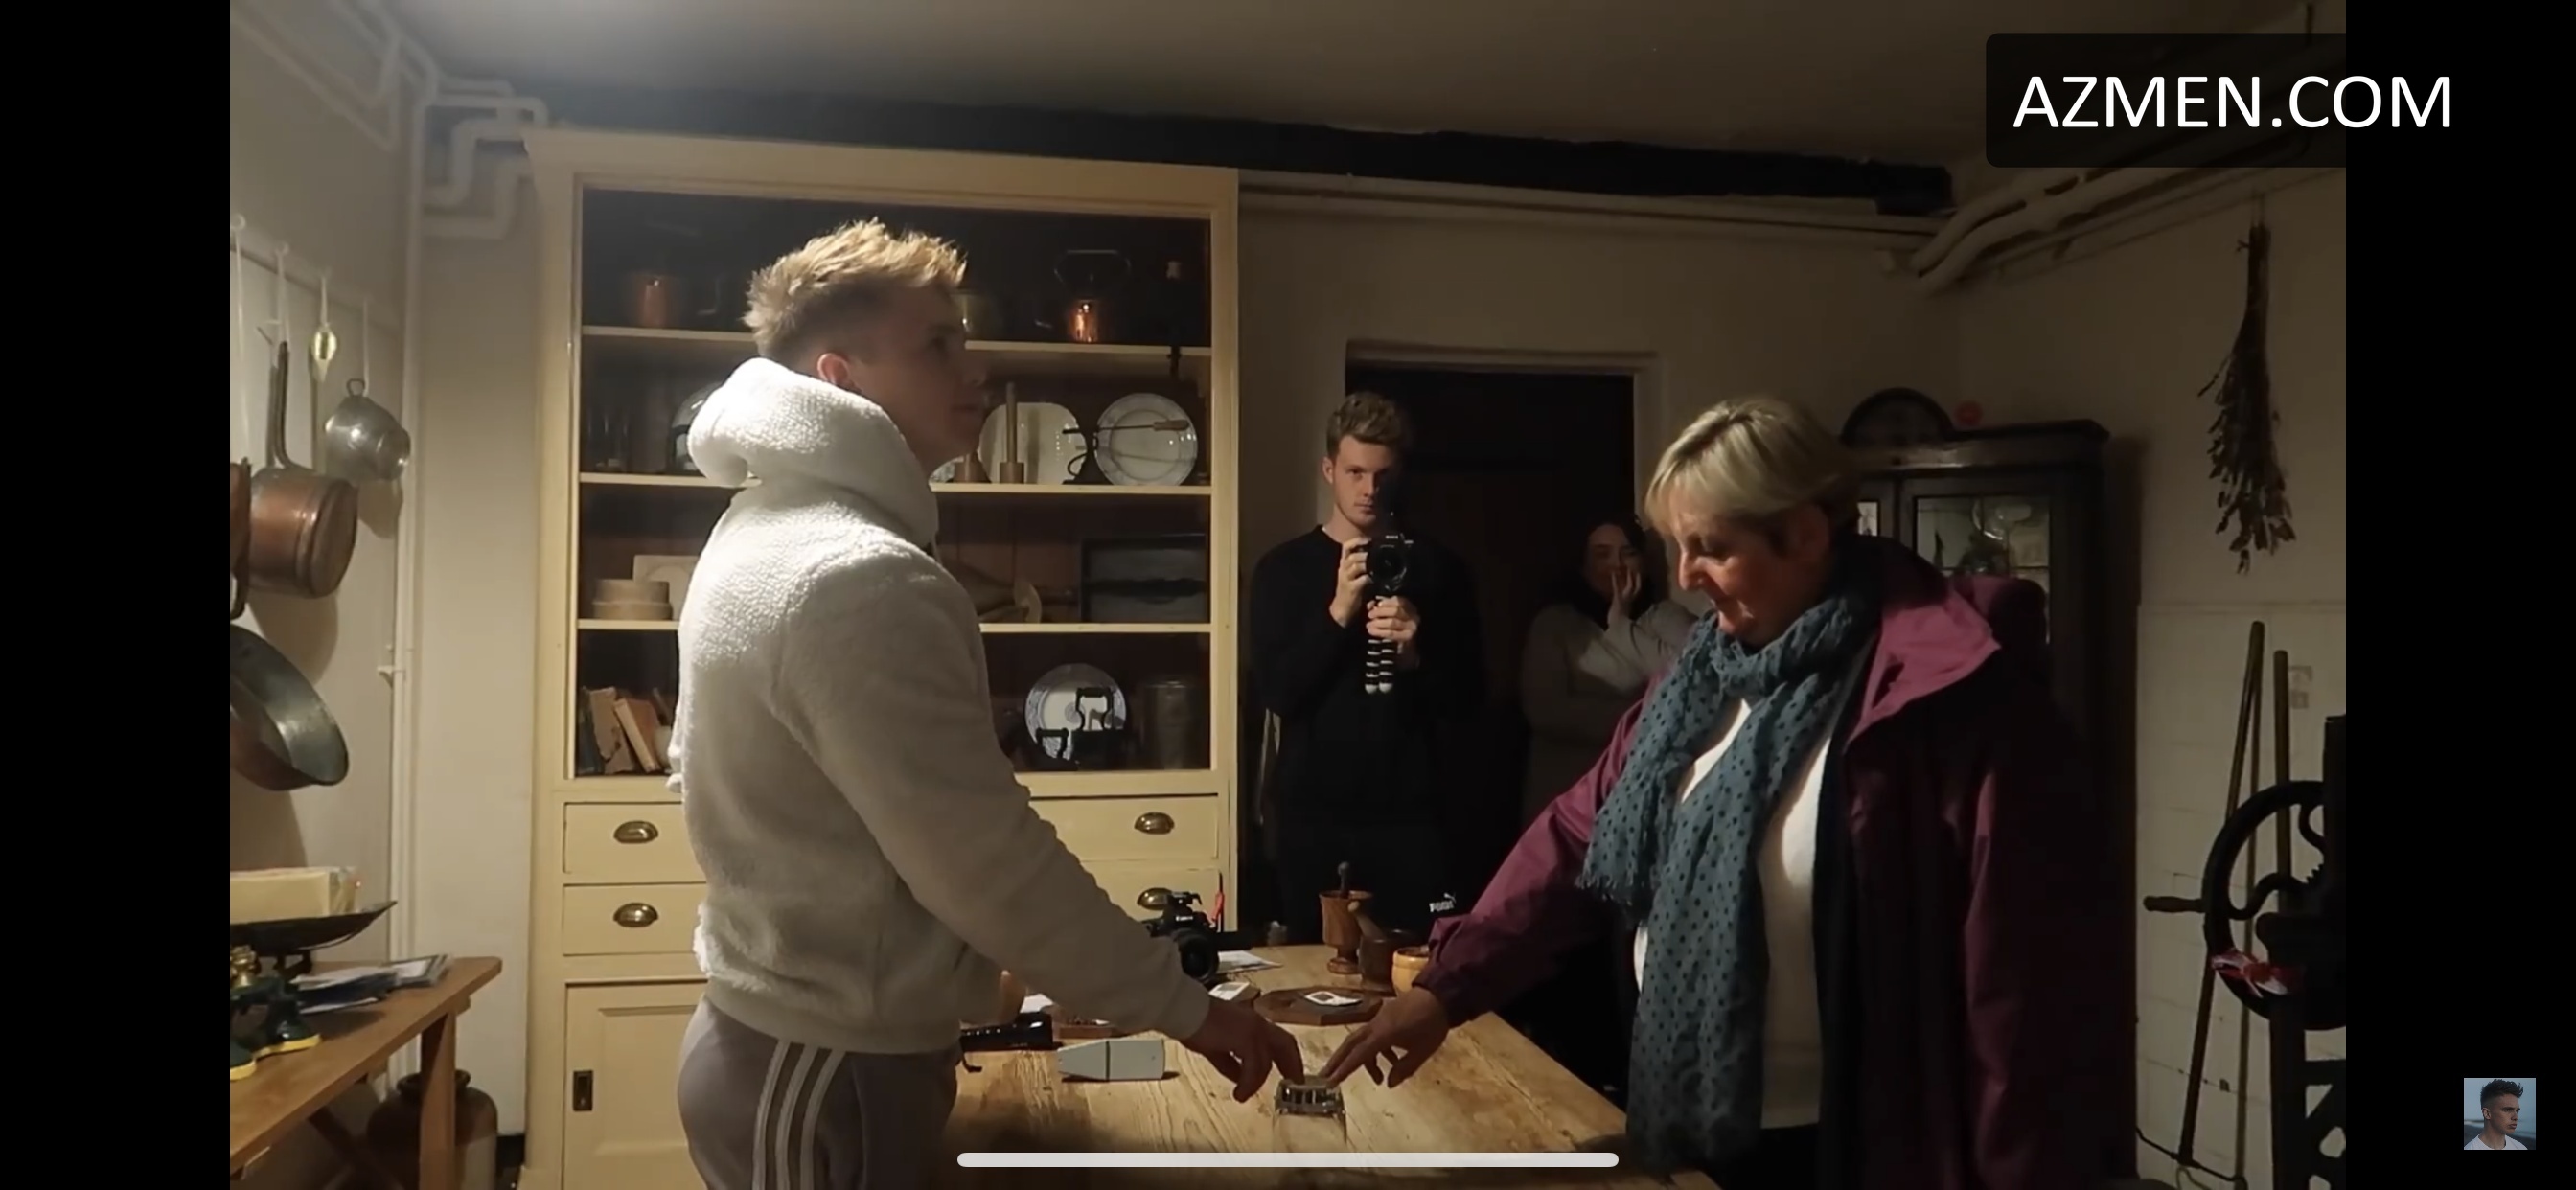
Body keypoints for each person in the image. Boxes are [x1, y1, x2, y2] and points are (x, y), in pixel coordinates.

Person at [1322, 396, 2117, 1190]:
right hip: (1691, 1129)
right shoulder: (1698, 677)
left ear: (1804, 534)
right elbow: (1572, 841)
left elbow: (2025, 1006)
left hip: (1861, 1151)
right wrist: (1447, 988)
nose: (1683, 577)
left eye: (1711, 548)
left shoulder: (1955, 702)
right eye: (1678, 547)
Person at [668, 219, 1300, 1189]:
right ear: (840, 377)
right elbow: (986, 863)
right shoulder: (854, 575)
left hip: (789, 1045)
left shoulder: (764, 523)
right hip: (826, 1064)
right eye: (937, 344)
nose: (977, 364)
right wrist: (1190, 1010)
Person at [1250, 391, 1484, 943]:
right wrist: (1337, 613)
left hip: (1412, 817)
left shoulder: (1442, 569)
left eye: (1382, 475)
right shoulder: (1283, 570)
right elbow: (1278, 693)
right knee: (1313, 967)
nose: (1369, 490)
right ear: (1329, 469)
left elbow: (1469, 699)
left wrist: (1417, 656)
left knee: (1415, 970)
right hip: (1313, 817)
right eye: (1355, 472)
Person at [1520, 515, 1698, 823]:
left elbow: (1692, 683)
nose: (1616, 564)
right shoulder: (1555, 624)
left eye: (1627, 553)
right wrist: (1647, 715)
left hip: (1642, 794)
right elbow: (1548, 710)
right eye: (1602, 554)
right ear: (1583, 565)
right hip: (1567, 793)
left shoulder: (1668, 618)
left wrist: (1621, 624)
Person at [2467, 1079, 2528, 1149]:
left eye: (2517, 1111)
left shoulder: (2520, 1147)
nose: (2516, 1117)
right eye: (2507, 1110)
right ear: (2487, 1113)